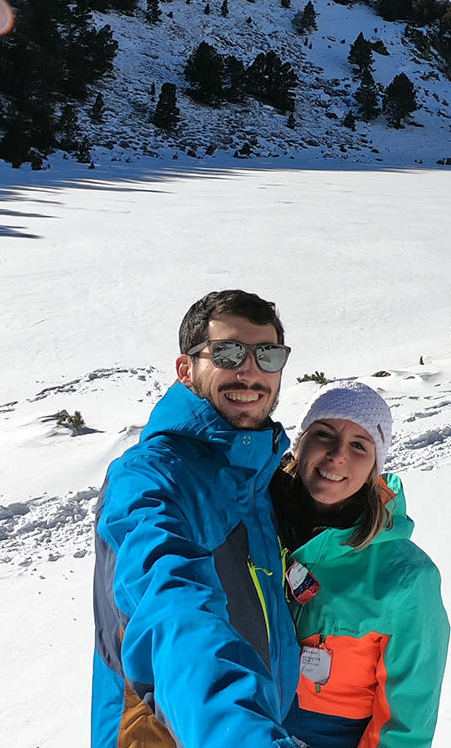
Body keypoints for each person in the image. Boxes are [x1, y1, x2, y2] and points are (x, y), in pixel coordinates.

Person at [91, 289, 302, 748]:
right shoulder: (148, 478)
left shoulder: (259, 475)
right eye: (228, 352)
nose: (250, 371)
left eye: (268, 354)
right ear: (186, 369)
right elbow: (175, 613)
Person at [272, 380, 450, 748]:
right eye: (324, 434)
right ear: (300, 442)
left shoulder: (407, 579)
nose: (338, 454)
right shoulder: (253, 526)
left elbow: (405, 727)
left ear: (375, 466)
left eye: (359, 445)